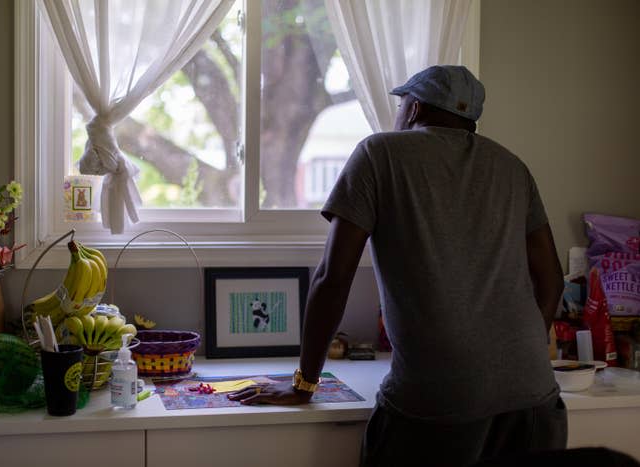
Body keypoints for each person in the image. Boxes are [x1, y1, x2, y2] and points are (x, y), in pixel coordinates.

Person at [228, 65, 566, 466]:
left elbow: (333, 278)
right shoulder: (512, 167)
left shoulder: (380, 153)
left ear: (415, 108)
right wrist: (519, 351)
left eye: (401, 102)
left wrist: (305, 383)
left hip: (438, 403)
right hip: (535, 401)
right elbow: (551, 280)